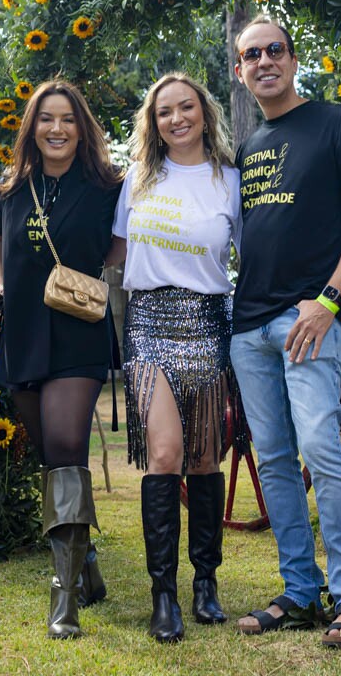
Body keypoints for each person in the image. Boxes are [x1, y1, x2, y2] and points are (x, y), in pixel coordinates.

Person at [228, 16, 341, 646]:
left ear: (293, 59)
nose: (264, 61)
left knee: (320, 445)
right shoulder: (249, 147)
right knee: (271, 461)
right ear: (239, 73)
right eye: (251, 55)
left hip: (308, 318)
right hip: (248, 325)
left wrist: (327, 301)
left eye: (274, 50)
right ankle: (298, 592)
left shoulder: (335, 123)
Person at [0, 80, 123, 639]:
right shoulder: (13, 187)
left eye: (67, 119)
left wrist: (91, 274)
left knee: (67, 446)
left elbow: (122, 243)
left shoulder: (105, 186)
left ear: (81, 126)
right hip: (22, 332)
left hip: (77, 333)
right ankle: (84, 562)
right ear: (32, 128)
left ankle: (62, 598)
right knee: (49, 457)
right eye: (46, 119)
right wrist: (2, 284)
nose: (57, 128)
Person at [111, 73, 241, 643]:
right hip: (148, 323)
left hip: (209, 323)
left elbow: (257, 256)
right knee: (165, 454)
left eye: (186, 107)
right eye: (164, 111)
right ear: (153, 121)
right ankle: (163, 595)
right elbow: (112, 252)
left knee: (206, 458)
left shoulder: (230, 182)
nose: (177, 118)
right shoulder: (136, 180)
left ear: (204, 113)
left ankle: (205, 584)